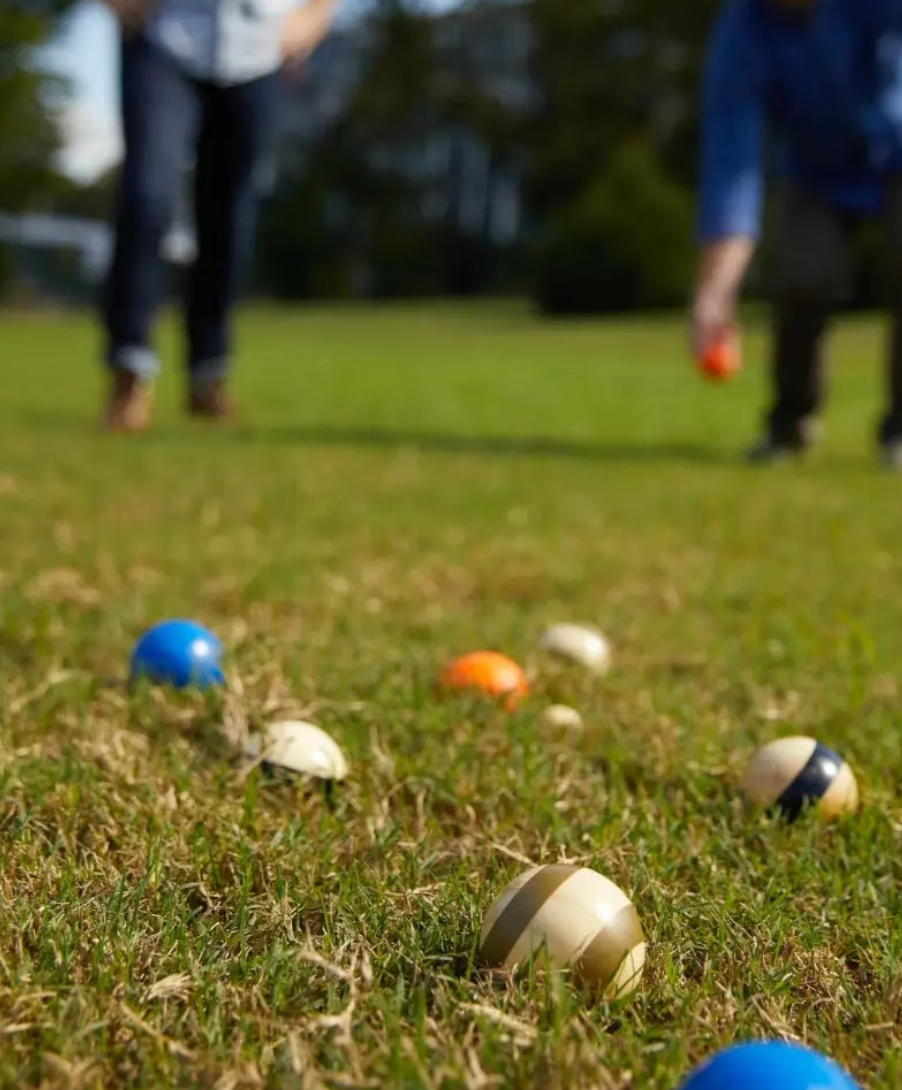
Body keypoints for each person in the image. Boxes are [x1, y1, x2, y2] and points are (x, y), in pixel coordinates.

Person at [100, 0, 339, 431]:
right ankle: (129, 368)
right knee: (147, 197)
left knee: (229, 219)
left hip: (258, 51)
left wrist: (317, 13)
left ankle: (207, 371)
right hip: (164, 37)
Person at [692, 0, 902, 466]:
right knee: (803, 277)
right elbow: (732, 166)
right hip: (815, 172)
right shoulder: (744, 29)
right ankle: (790, 422)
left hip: (898, 152)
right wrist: (715, 294)